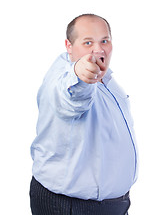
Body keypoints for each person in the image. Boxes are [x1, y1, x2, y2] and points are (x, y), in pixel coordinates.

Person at [30, 14, 138, 215]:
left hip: (109, 206)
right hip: (71, 207)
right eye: (88, 42)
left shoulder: (104, 76)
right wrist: (80, 75)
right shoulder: (66, 79)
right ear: (69, 46)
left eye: (104, 40)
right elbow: (72, 96)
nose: (98, 49)